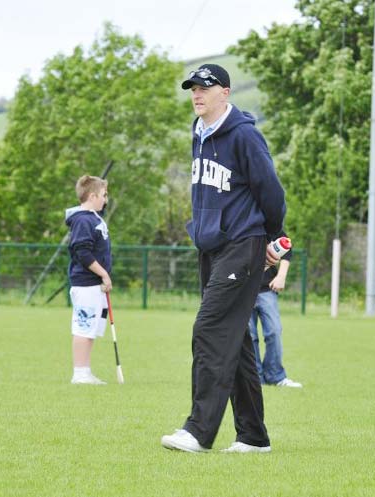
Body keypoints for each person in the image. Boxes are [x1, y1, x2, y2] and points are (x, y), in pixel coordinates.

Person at [161, 64, 287, 453]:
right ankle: (253, 436)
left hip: (243, 244)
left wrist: (271, 237)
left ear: (226, 92)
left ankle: (198, 430)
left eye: (205, 87)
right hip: (211, 246)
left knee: (210, 330)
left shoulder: (245, 136)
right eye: (193, 88)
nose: (197, 94)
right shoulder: (198, 132)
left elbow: (272, 192)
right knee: (237, 342)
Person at [65, 175, 112, 385]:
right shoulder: (83, 220)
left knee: (91, 326)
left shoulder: (93, 217)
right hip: (86, 284)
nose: (106, 199)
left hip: (95, 286)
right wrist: (103, 273)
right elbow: (82, 252)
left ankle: (85, 370)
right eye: (103, 195)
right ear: (92, 196)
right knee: (83, 326)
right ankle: (80, 373)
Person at [249, 231, 302, 388]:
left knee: (274, 331)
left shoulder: (268, 223)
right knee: (249, 336)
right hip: (244, 290)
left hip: (267, 290)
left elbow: (287, 248)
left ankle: (276, 376)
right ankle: (256, 378)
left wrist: (281, 276)